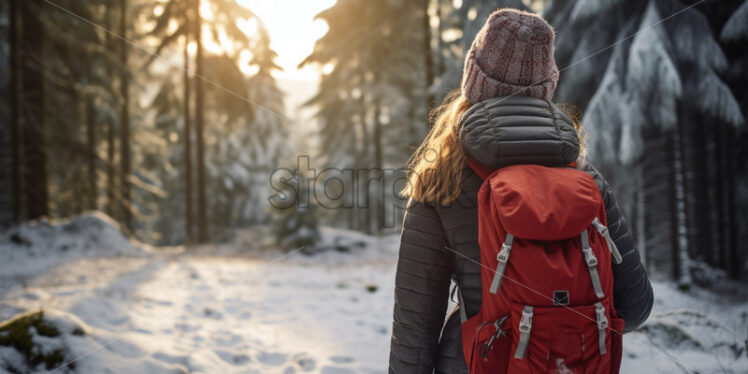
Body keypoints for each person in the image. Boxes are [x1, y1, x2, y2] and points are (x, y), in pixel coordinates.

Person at [388, 8, 653, 374]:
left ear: (473, 79)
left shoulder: (442, 181)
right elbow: (635, 308)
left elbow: (414, 333)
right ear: (547, 85)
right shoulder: (586, 179)